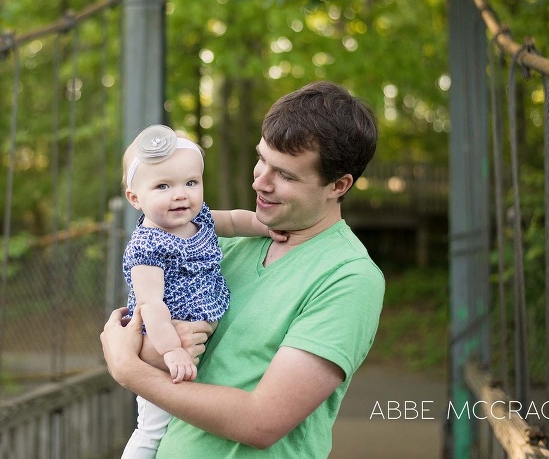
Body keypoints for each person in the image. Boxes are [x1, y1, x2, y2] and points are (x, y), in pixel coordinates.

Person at [101, 81, 385, 457]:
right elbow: (147, 325)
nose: (259, 180)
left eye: (284, 175)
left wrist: (130, 371)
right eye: (261, 158)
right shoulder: (217, 246)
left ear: (338, 185)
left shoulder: (348, 278)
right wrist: (149, 349)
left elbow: (262, 421)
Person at [119, 124, 285, 458]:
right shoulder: (147, 246)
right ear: (135, 198)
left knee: (181, 424)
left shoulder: (199, 219)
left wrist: (265, 226)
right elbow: (151, 304)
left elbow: (235, 221)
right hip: (165, 341)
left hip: (196, 331)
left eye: (190, 183)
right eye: (163, 186)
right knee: (151, 429)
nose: (180, 194)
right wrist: (170, 351)